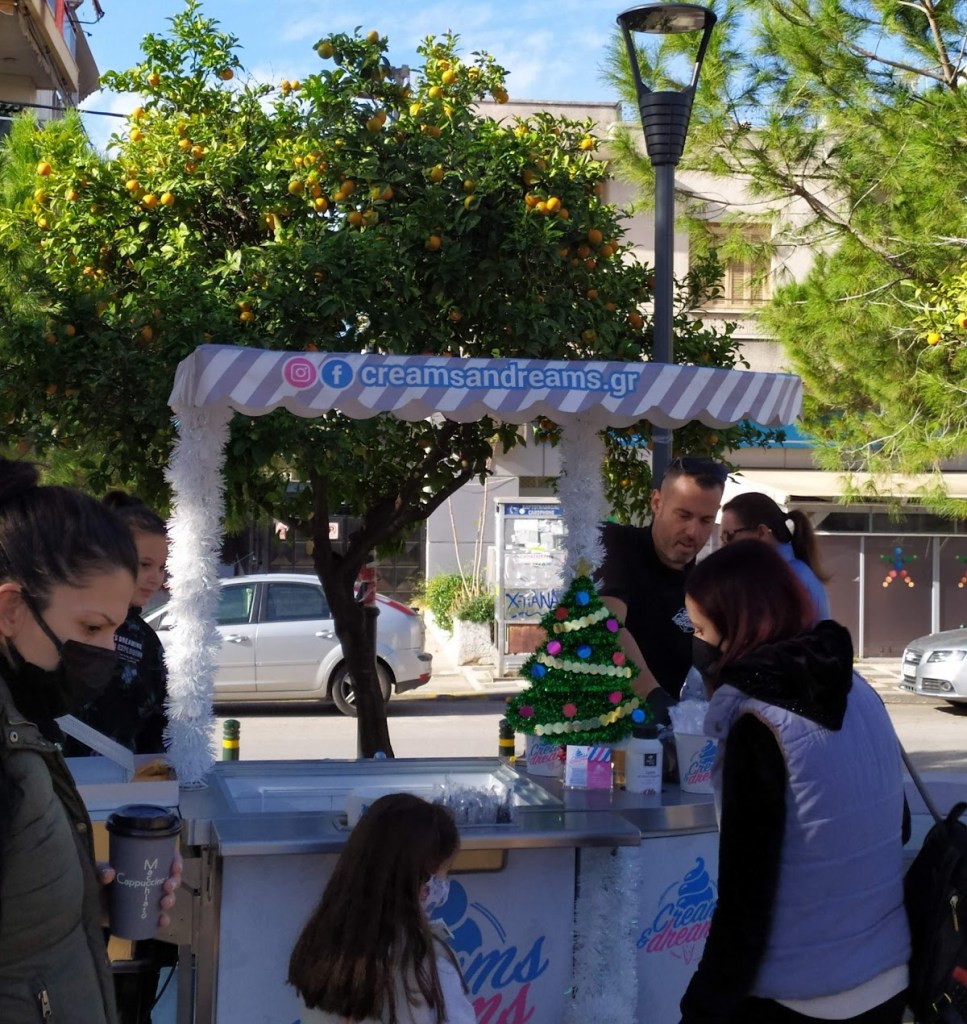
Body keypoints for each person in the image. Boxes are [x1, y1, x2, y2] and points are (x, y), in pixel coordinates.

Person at [679, 539, 909, 1024]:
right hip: (887, 976)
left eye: (699, 629)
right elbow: (900, 824)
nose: (694, 642)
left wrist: (702, 1007)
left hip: (799, 994)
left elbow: (745, 901)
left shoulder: (758, 724)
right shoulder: (860, 689)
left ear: (736, 626)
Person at [0, 459, 180, 1024]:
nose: (106, 651)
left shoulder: (22, 724)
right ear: (11, 609)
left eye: (117, 627)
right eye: (92, 628)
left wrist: (83, 901)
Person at [288, 792, 475, 1024]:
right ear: (421, 883)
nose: (445, 882)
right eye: (446, 870)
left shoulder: (319, 948)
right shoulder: (430, 969)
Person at [598, 456, 727, 720]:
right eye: (684, 515)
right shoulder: (617, 544)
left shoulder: (705, 584)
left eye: (706, 520)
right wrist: (654, 697)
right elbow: (605, 627)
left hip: (671, 736)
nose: (693, 531)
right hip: (605, 729)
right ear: (657, 503)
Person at [64, 492, 169, 757]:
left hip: (121, 778)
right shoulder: (59, 618)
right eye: (145, 564)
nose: (155, 578)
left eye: (162, 567)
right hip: (50, 776)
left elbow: (156, 728)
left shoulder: (147, 640)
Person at [719, 491, 831, 621]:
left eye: (729, 536)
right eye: (722, 538)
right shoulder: (792, 572)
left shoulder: (782, 579)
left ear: (761, 532)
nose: (723, 547)